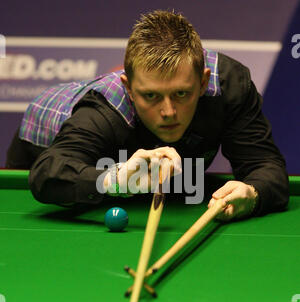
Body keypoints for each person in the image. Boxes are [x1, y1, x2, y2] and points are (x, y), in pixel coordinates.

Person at [5, 10, 289, 221]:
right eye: (151, 96)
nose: (168, 112)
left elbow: (266, 167)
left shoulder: (229, 86)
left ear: (202, 82)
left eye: (181, 94)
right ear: (129, 88)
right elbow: (46, 173)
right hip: (40, 141)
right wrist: (115, 181)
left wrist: (252, 194)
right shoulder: (105, 110)